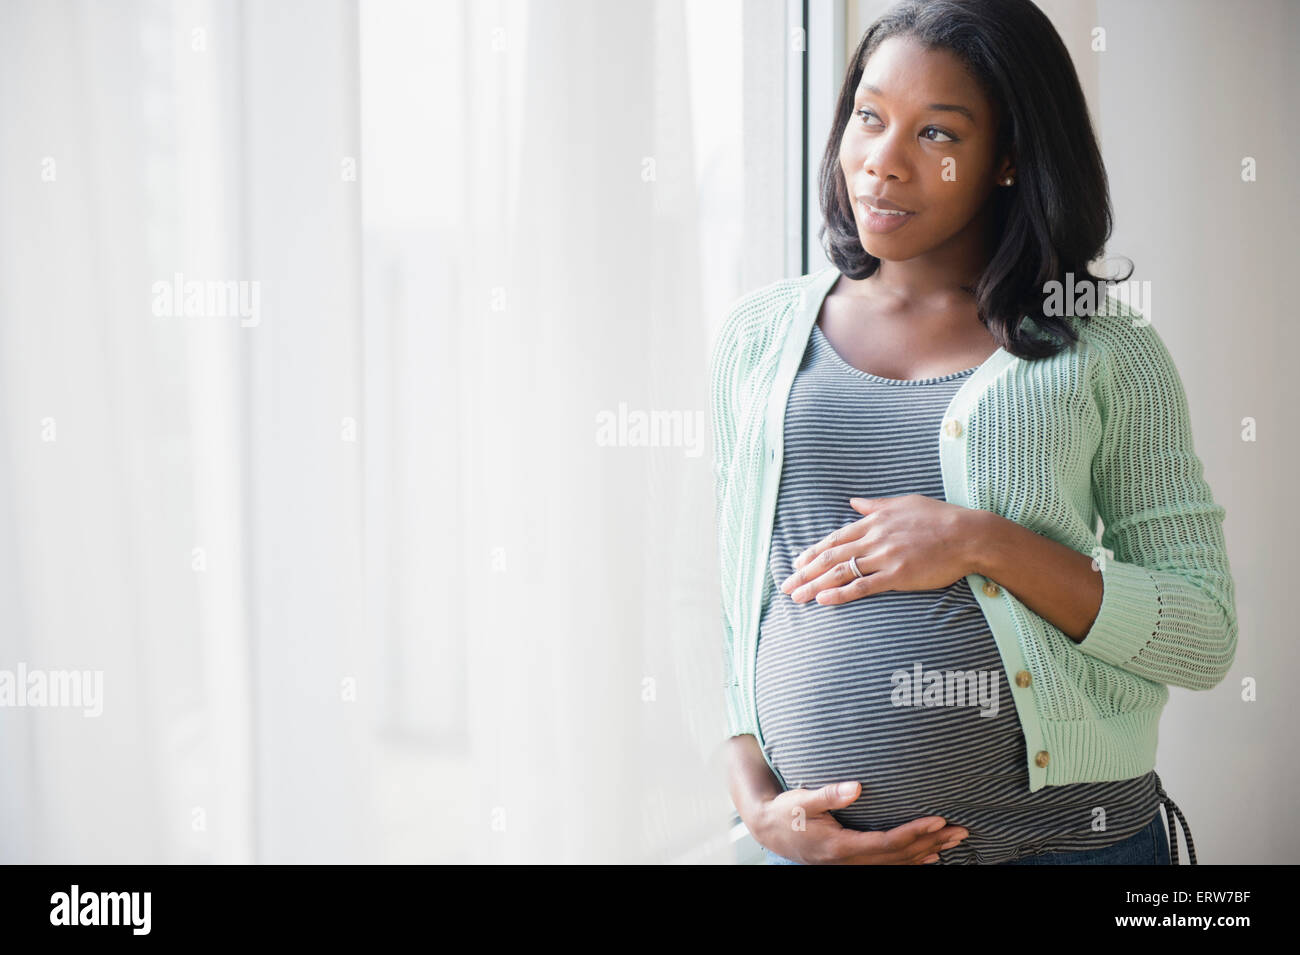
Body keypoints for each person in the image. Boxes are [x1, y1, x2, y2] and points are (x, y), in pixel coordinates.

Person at [709, 0, 1236, 865]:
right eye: (869, 118)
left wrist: (980, 540)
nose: (881, 163)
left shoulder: (1106, 351)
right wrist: (754, 805)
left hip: (1069, 846)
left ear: (1008, 160)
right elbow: (729, 607)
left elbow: (1202, 630)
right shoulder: (759, 336)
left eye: (939, 135)